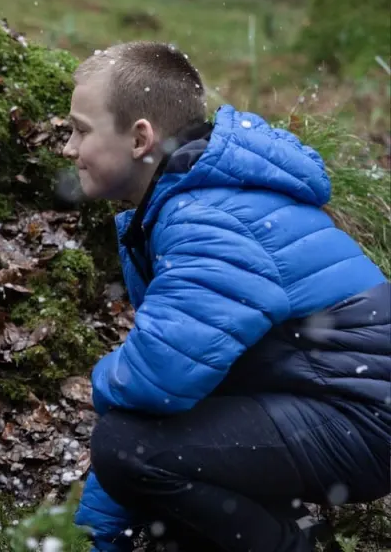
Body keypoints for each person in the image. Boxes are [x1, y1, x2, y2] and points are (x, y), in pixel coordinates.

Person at [64, 41, 390, 552]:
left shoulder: (205, 217)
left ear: (139, 139)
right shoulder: (193, 196)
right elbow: (179, 391)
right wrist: (103, 538)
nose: (68, 147)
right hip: (339, 406)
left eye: (82, 130)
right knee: (154, 469)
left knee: (131, 450)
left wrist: (99, 381)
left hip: (364, 418)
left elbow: (156, 381)